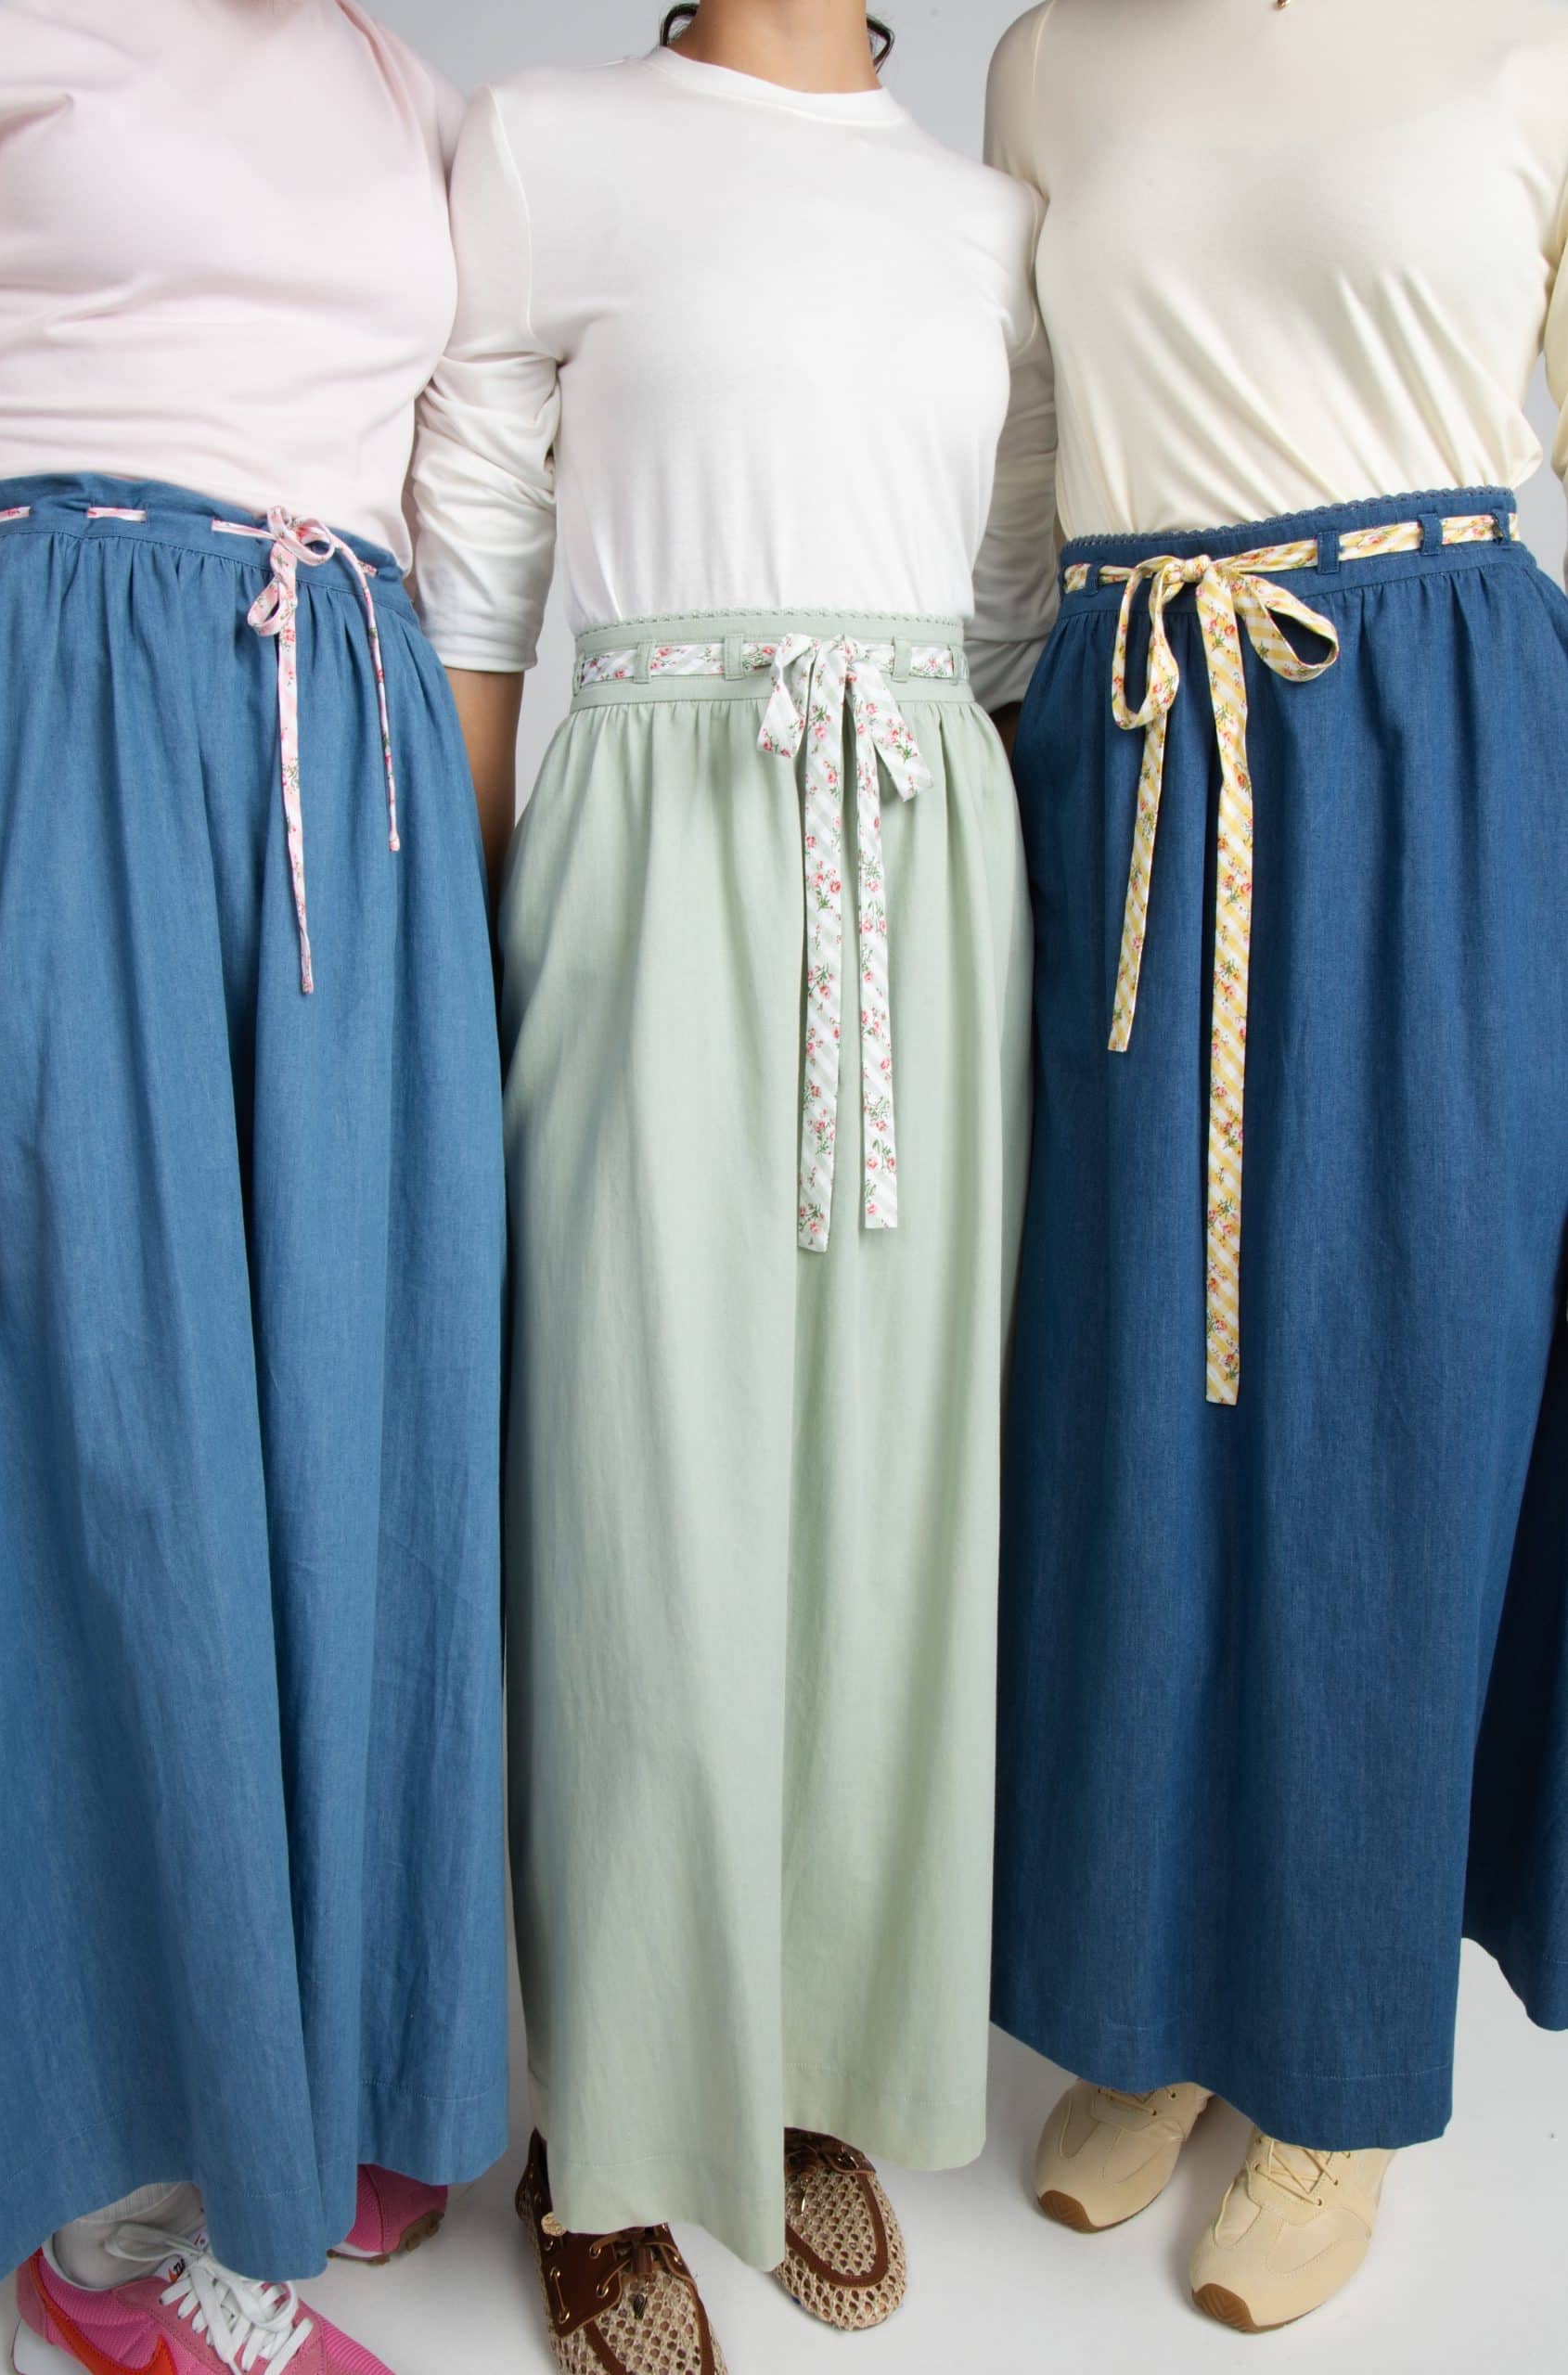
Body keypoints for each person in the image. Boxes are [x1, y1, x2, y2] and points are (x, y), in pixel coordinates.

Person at [410, 2, 1037, 2366]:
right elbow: (476, 573)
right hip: (655, 850)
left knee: (882, 1505)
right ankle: (609, 2127)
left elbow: (1002, 599)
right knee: (639, 1496)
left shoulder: (985, 215)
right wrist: (480, 943)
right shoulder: (548, 145)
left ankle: (797, 2063)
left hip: (923, 862)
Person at [974, 0, 1568, 2333]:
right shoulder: (1050, 55)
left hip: (1429, 740)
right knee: (1132, 1400)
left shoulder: (1523, 38)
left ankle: (1329, 2055)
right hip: (1127, 739)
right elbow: (1026, 466)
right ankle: (1154, 1992)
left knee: (1395, 1392)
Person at [0, 4, 508, 2368]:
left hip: (349, 759)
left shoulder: (410, 92)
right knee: (116, 1433)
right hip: (75, 712)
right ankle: (114, 2213)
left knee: (357, 1428)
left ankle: (302, 2065)